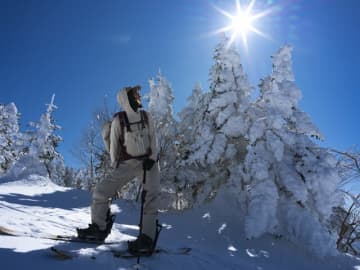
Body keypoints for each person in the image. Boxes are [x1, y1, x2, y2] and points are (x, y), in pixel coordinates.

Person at [77, 85, 160, 255]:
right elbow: (114, 146)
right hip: (127, 164)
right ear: (126, 99)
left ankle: (146, 239)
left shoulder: (146, 116)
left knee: (150, 199)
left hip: (148, 163)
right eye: (135, 95)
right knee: (101, 191)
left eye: (138, 95)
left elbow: (154, 139)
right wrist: (116, 167)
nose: (138, 97)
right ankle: (99, 228)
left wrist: (152, 159)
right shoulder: (118, 120)